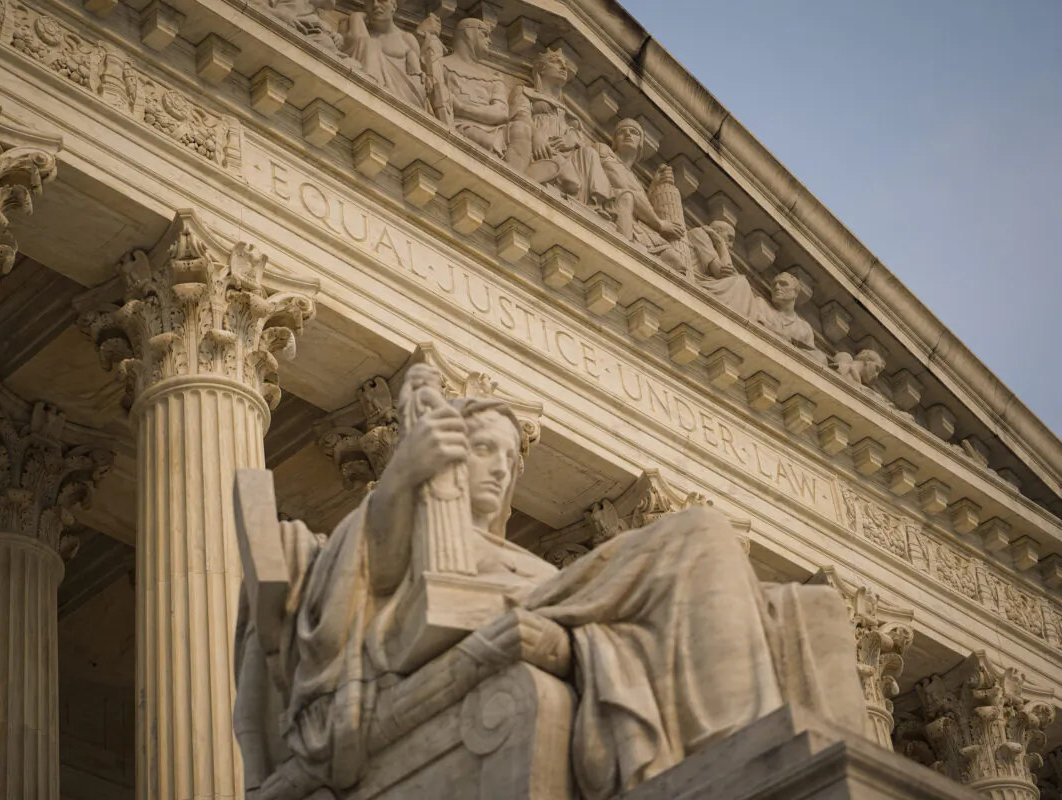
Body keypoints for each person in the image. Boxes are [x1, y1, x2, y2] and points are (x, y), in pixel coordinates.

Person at [234, 365, 865, 799]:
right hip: (439, 640)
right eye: (483, 448)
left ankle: (840, 776)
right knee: (697, 532)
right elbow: (348, 620)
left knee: (815, 611)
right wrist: (402, 477)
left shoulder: (529, 563)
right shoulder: (391, 525)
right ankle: (735, 758)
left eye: (510, 459)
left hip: (562, 610)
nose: (500, 469)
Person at [506, 48, 610, 205]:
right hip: (540, 147)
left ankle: (598, 205)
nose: (563, 67)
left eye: (564, 64)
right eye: (555, 62)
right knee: (570, 181)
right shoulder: (525, 92)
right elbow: (521, 114)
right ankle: (534, 171)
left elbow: (576, 132)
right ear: (541, 68)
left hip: (564, 152)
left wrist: (572, 139)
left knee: (588, 156)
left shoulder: (564, 109)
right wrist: (537, 136)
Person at [597, 119, 685, 259]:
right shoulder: (604, 151)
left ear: (640, 144)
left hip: (635, 227)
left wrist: (654, 187)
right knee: (627, 196)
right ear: (614, 141)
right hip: (610, 210)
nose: (627, 134)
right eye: (622, 131)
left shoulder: (636, 180)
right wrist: (659, 224)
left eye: (634, 132)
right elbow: (621, 184)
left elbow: (641, 205)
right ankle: (624, 254)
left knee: (675, 260)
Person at [436, 18, 518, 157]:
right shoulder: (441, 65)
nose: (490, 41)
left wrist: (463, 108)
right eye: (484, 34)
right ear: (469, 33)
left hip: (496, 130)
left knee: (520, 130)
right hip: (462, 126)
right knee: (483, 139)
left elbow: (502, 113)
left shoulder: (494, 77)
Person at [342, 0, 426, 107]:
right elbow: (356, 44)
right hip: (370, 91)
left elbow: (417, 77)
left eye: (382, 0)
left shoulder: (406, 39)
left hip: (404, 98)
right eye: (370, 2)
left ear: (394, 6)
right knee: (369, 44)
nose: (376, 5)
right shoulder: (366, 36)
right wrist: (356, 17)